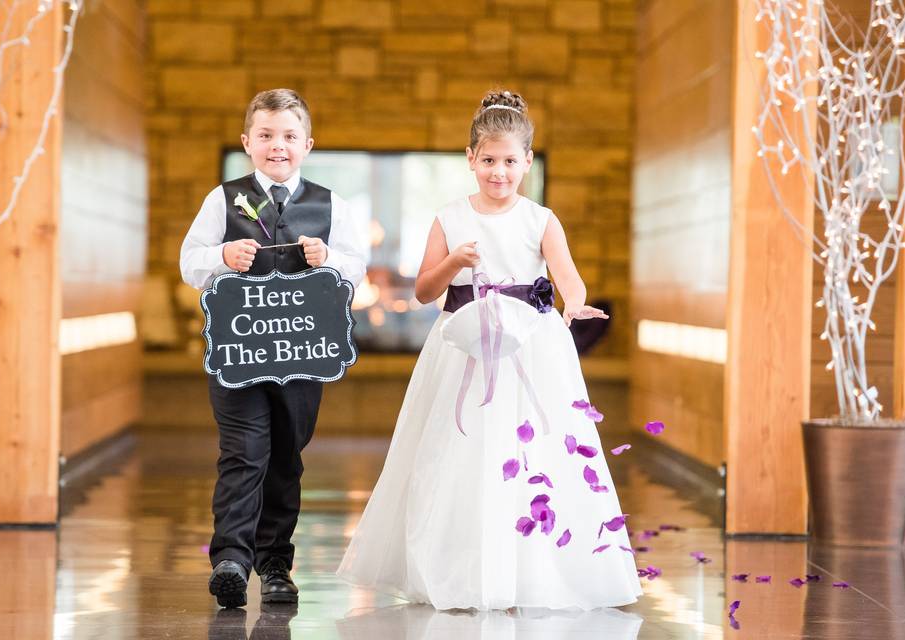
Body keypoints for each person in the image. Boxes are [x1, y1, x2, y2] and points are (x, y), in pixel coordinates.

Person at [337, 90, 642, 610]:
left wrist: (575, 307)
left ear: (526, 161)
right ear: (470, 159)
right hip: (464, 347)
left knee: (528, 452)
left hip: (527, 346)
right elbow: (426, 292)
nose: (498, 172)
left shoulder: (540, 219)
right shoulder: (450, 217)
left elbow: (569, 279)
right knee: (460, 451)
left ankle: (531, 567)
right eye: (487, 161)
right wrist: (454, 260)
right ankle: (459, 564)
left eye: (509, 162)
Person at [180, 88, 366, 608]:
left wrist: (328, 258)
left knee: (285, 455)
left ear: (308, 144)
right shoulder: (222, 199)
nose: (276, 146)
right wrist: (221, 254)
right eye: (265, 136)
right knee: (243, 453)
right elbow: (189, 261)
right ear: (247, 142)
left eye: (288, 136)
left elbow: (356, 269)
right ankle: (232, 561)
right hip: (239, 354)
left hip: (304, 356)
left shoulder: (334, 205)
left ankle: (276, 563)